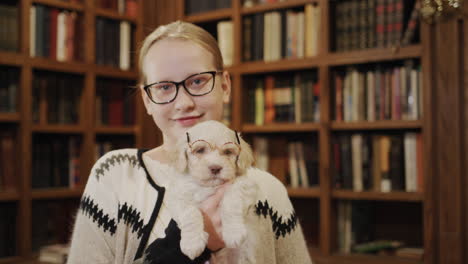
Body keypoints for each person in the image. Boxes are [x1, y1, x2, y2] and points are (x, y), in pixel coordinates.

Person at [67, 21, 312, 264]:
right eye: (164, 87)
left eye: (197, 81)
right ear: (147, 100)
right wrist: (185, 247)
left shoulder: (268, 190)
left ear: (225, 86)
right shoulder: (116, 174)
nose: (183, 103)